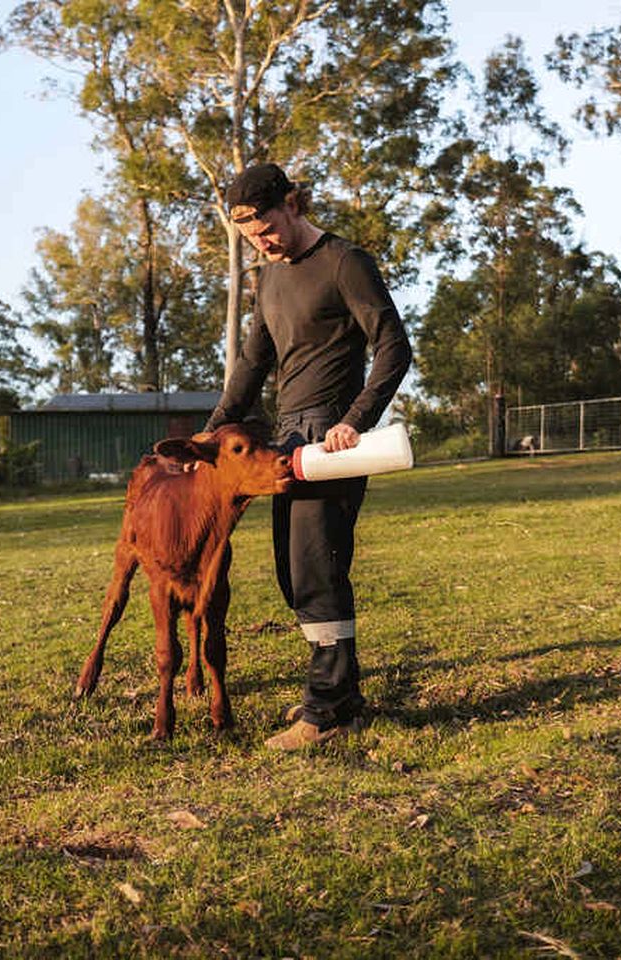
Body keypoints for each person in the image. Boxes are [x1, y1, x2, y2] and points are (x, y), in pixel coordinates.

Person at [203, 162, 412, 751]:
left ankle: (325, 713)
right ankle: (340, 695)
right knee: (292, 576)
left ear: (292, 203)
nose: (259, 241)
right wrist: (211, 432)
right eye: (247, 235)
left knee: (318, 570)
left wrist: (354, 421)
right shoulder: (269, 280)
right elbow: (251, 365)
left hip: (330, 440)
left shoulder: (345, 261)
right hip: (284, 443)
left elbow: (394, 345)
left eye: (264, 226)